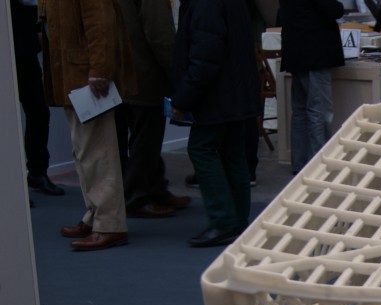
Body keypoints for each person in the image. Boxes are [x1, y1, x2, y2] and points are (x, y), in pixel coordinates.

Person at [39, 0, 137, 251]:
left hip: (85, 78)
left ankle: (109, 224)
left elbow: (101, 22)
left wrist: (100, 69)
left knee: (98, 152)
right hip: (74, 76)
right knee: (85, 151)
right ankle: (96, 215)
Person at [170, 0, 261, 247]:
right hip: (233, 92)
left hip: (217, 95)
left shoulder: (205, 4)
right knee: (232, 152)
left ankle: (223, 220)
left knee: (202, 148)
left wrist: (183, 98)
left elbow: (205, 58)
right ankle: (236, 219)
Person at [116, 0, 191, 219]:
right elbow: (159, 34)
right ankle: (136, 197)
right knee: (145, 139)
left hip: (126, 71)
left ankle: (155, 190)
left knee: (143, 138)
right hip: (144, 72)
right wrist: (177, 72)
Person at [278, 0, 347, 174]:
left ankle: (299, 163)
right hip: (315, 51)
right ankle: (320, 165)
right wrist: (339, 6)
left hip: (295, 51)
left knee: (300, 112)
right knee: (319, 112)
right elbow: (333, 9)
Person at [11, 0, 65, 197]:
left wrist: (37, 28)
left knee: (39, 112)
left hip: (24, 46)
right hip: (13, 44)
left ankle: (37, 172)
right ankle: (13, 182)